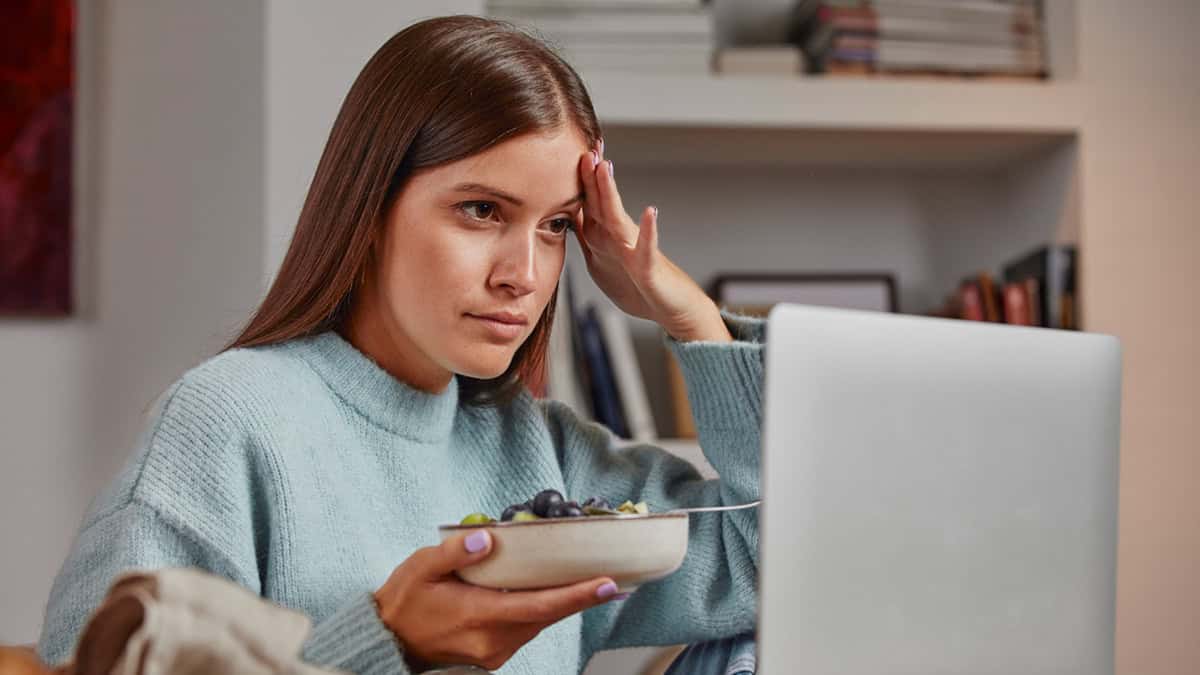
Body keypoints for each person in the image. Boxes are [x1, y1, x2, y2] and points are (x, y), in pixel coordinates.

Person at [38, 15, 764, 674]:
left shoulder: (548, 458)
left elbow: (778, 553)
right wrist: (387, 641)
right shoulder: (227, 426)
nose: (525, 275)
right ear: (372, 208)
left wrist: (690, 315)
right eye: (481, 210)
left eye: (557, 227)